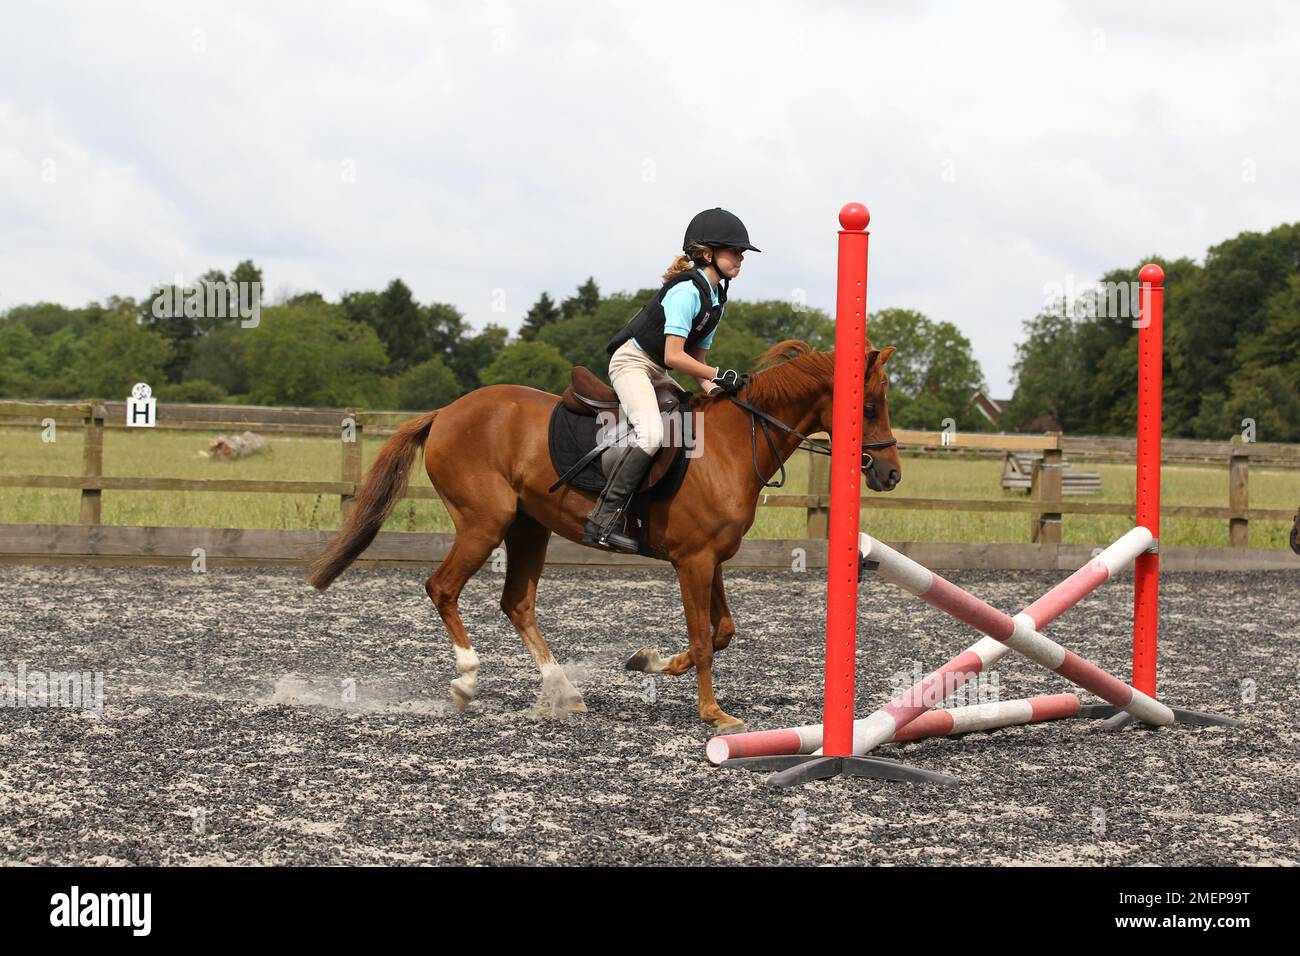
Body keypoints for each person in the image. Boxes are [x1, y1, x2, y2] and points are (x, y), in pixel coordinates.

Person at [583, 207, 759, 552]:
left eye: (741, 252)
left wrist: (718, 392)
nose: (740, 258)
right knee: (651, 433)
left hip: (658, 370)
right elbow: (674, 356)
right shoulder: (686, 292)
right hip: (633, 363)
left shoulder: (716, 298)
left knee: (693, 423)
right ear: (707, 254)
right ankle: (601, 520)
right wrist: (720, 375)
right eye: (734, 251)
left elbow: (697, 364)